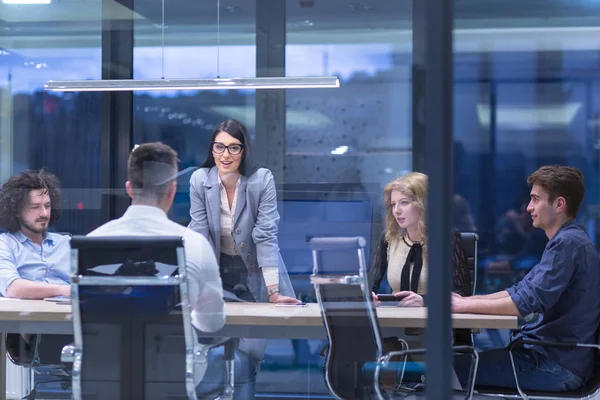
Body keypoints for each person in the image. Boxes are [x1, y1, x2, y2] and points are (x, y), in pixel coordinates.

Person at [453, 165, 600, 392]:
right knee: (454, 365)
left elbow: (523, 303)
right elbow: (520, 290)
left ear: (559, 204)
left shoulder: (568, 244)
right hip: (547, 358)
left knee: (448, 370)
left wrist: (462, 304)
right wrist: (466, 303)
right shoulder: (568, 240)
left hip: (553, 366)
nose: (529, 207)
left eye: (535, 199)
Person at [189, 119, 298, 399]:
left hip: (254, 271)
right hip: (215, 270)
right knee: (211, 350)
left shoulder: (261, 179)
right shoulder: (200, 180)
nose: (226, 155)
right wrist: (196, 286)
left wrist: (273, 291)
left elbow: (266, 235)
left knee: (250, 355)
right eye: (220, 147)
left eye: (234, 147)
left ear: (244, 150)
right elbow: (198, 235)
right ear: (212, 150)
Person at [87, 142, 226, 336]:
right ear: (172, 191)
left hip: (98, 365)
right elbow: (212, 323)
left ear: (129, 189)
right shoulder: (195, 245)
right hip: (174, 365)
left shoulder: (91, 244)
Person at [369, 173, 471, 304]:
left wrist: (425, 300)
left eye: (404, 203)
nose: (396, 211)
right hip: (396, 318)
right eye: (393, 204)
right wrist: (369, 296)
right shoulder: (390, 238)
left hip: (434, 320)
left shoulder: (446, 238)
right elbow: (370, 284)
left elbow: (462, 292)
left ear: (424, 204)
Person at [0, 169, 70, 299]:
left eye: (47, 206)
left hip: (73, 316)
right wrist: (66, 290)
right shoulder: (5, 245)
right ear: (16, 211)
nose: (44, 213)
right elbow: (13, 289)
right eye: (35, 207)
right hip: (28, 317)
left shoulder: (66, 243)